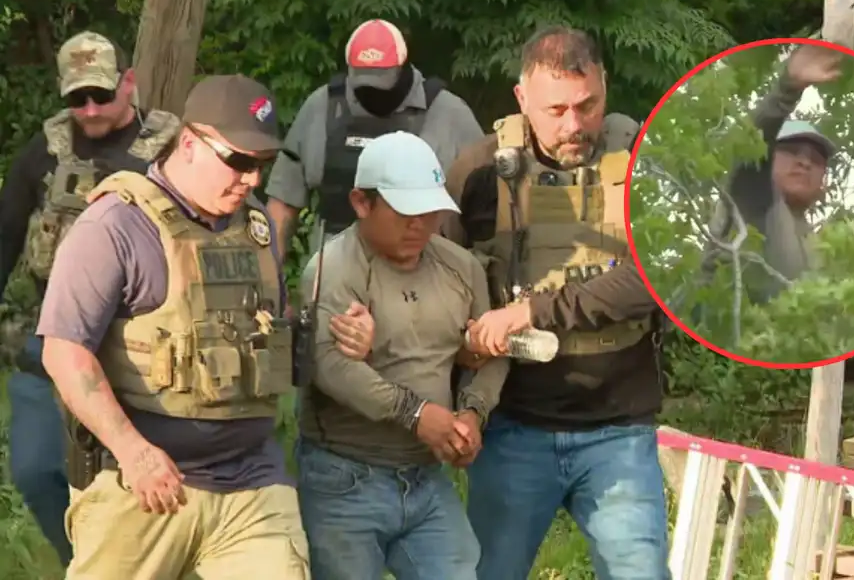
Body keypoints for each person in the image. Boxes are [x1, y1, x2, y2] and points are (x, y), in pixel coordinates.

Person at [36, 74, 312, 579]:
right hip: (141, 485)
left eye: (263, 166)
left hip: (252, 482)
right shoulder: (115, 225)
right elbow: (64, 351)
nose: (252, 180)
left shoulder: (256, 229)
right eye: (239, 161)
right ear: (189, 143)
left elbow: (271, 326)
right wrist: (133, 451)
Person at [444, 26, 670, 580]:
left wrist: (531, 311)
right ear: (522, 100)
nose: (574, 125)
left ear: (606, 89)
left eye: (588, 105)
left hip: (620, 427)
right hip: (511, 427)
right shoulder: (476, 170)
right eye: (557, 109)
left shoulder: (645, 160)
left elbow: (660, 278)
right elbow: (437, 282)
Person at [295, 130, 510, 580]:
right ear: (361, 202)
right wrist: (416, 414)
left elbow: (492, 351)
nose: (421, 224)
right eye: (405, 212)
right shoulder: (332, 269)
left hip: (426, 478)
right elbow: (330, 368)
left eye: (430, 211)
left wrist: (472, 414)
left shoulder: (461, 266)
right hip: (344, 478)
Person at [0, 30, 179, 566]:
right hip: (46, 342)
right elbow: (7, 235)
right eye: (78, 98)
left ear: (130, 82)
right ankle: (88, 562)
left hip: (136, 348)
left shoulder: (169, 150)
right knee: (35, 469)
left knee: (131, 480)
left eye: (102, 93)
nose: (92, 108)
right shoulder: (44, 152)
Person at [264, 18, 485, 265]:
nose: (373, 92)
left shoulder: (448, 114)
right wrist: (272, 282)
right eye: (364, 82)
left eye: (382, 81)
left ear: (404, 68)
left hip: (422, 275)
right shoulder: (323, 107)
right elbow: (283, 202)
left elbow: (484, 205)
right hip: (335, 274)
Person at [701, 43, 842, 304]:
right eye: (792, 151)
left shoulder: (819, 243)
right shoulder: (755, 202)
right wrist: (787, 89)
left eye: (815, 159)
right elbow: (751, 149)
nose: (804, 163)